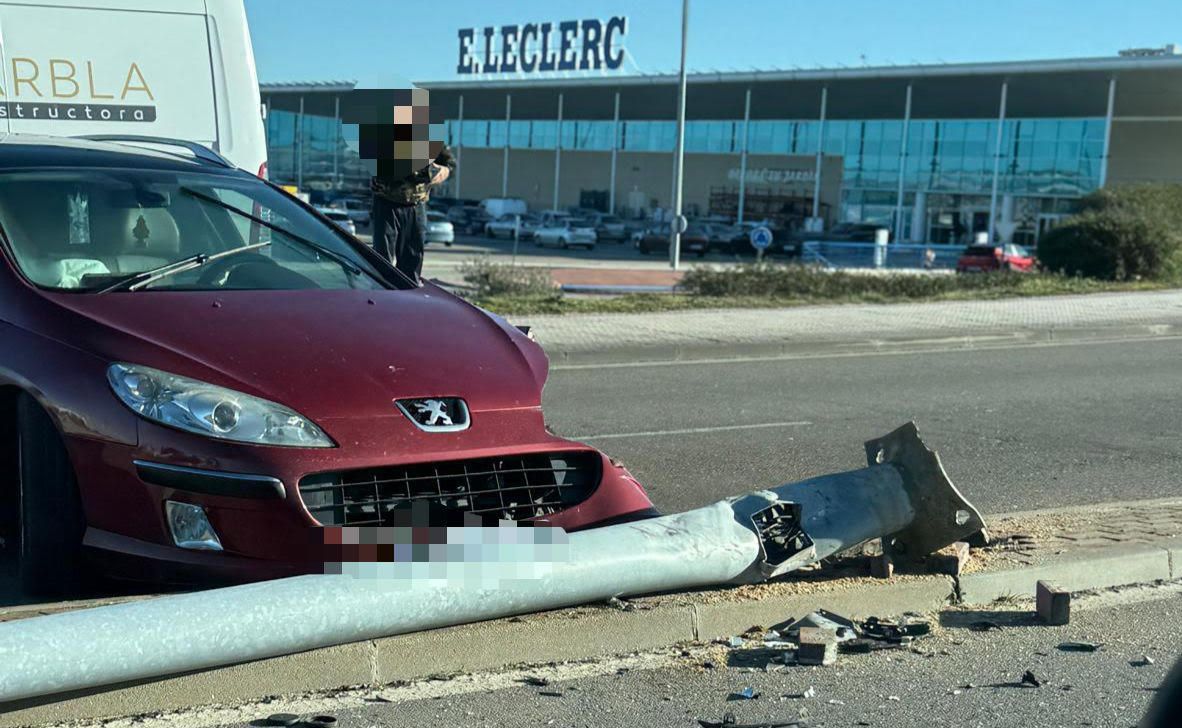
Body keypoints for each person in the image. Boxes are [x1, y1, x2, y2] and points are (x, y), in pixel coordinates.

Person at [353, 87, 455, 284]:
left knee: (413, 257)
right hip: (387, 202)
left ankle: (408, 298)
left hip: (417, 205)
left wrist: (441, 172)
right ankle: (383, 297)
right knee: (382, 260)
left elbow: (449, 164)